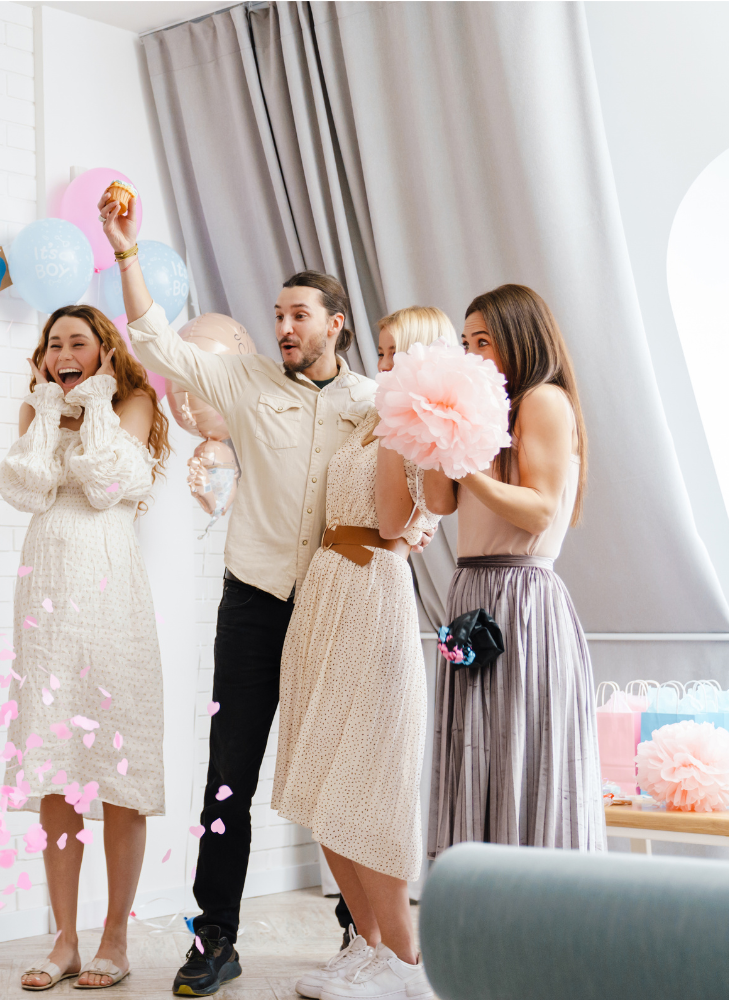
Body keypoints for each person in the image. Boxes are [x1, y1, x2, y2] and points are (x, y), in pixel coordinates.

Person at [98, 189, 380, 997]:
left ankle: (360, 932)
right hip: (254, 603)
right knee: (230, 777)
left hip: (336, 604)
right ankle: (214, 937)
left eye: (301, 315)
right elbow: (157, 339)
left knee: (340, 774)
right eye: (279, 315)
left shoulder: (370, 404)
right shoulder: (246, 383)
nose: (286, 327)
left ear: (336, 325)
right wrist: (125, 253)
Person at [272, 307, 453, 1000]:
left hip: (373, 596)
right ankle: (367, 945)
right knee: (318, 780)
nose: (384, 364)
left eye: (396, 353)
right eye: (380, 351)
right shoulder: (371, 422)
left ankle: (406, 965)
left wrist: (400, 426)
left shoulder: (415, 432)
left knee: (368, 786)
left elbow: (389, 523)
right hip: (328, 593)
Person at [0, 303, 170, 991]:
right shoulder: (34, 413)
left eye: (78, 342)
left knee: (117, 771)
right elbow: (30, 492)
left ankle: (115, 937)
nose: (64, 352)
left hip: (111, 601)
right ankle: (64, 938)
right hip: (47, 609)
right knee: (56, 773)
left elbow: (104, 485)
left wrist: (90, 404)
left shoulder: (131, 404)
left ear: (103, 351)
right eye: (53, 343)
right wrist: (47, 413)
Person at [422, 284, 605, 857]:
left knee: (518, 748)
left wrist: (465, 464)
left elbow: (542, 507)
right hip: (471, 588)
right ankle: (478, 912)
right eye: (467, 342)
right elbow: (441, 503)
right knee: (474, 748)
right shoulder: (484, 411)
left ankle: (536, 913)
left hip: (521, 595)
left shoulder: (542, 401)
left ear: (520, 342)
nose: (474, 355)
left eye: (486, 342)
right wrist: (431, 437)